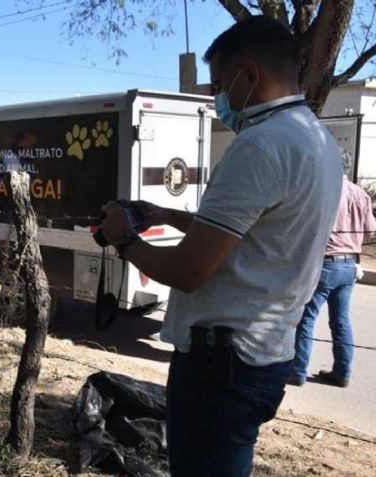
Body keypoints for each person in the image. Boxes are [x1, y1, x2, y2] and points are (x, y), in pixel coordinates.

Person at [98, 16, 342, 477]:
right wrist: (169, 215)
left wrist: (123, 238)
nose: (216, 100)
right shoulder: (316, 139)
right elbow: (257, 233)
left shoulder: (261, 145)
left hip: (222, 365)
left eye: (219, 86)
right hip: (263, 354)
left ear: (251, 75)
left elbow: (190, 272)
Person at [290, 168, 376, 387]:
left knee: (307, 317)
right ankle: (342, 372)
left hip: (325, 262)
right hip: (350, 264)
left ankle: (298, 371)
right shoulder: (360, 193)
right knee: (341, 321)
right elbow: (368, 233)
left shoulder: (325, 192)